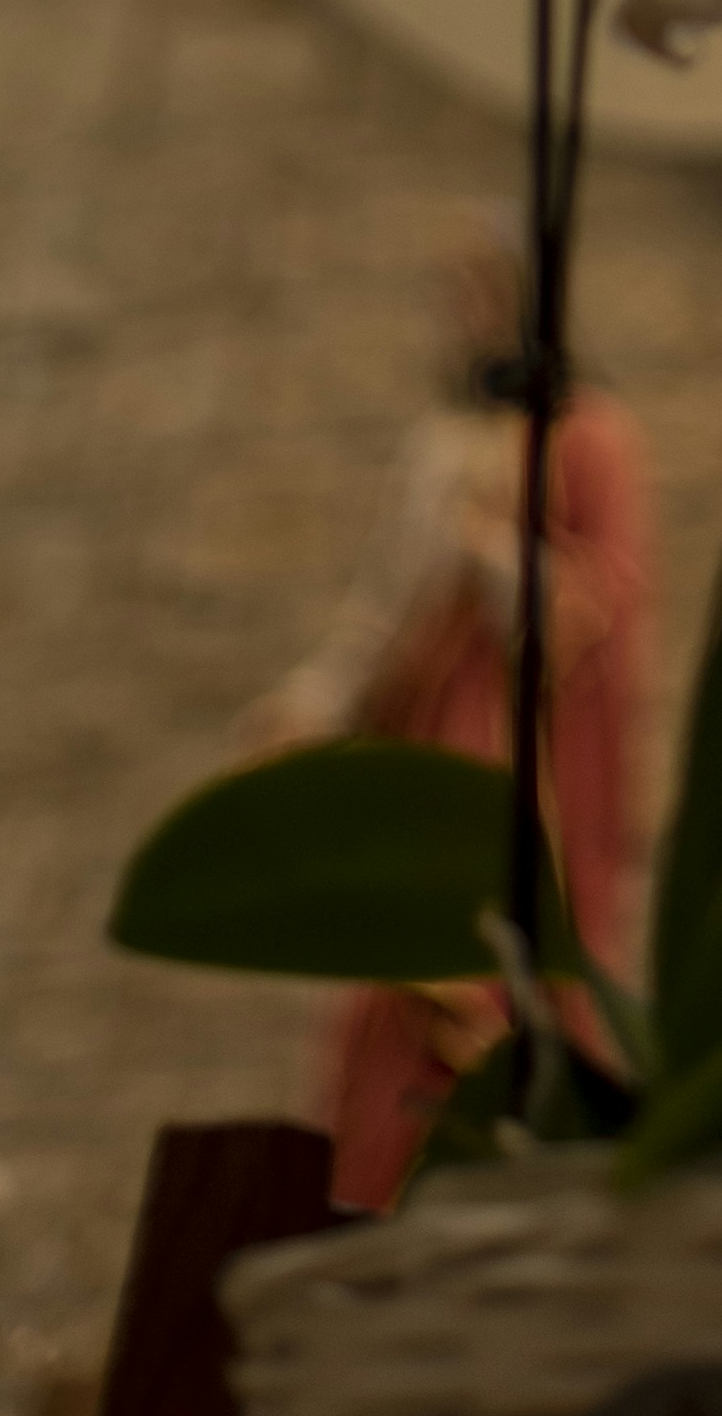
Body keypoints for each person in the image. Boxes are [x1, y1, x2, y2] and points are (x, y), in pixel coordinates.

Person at [249, 216, 653, 1208]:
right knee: (404, 973)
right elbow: (386, 602)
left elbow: (601, 600)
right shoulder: (437, 445)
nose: (466, 317)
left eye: (482, 294)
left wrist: (486, 546)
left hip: (530, 747)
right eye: (453, 299)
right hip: (434, 725)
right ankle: (377, 1195)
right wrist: (315, 696)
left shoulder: (591, 434)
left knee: (506, 949)